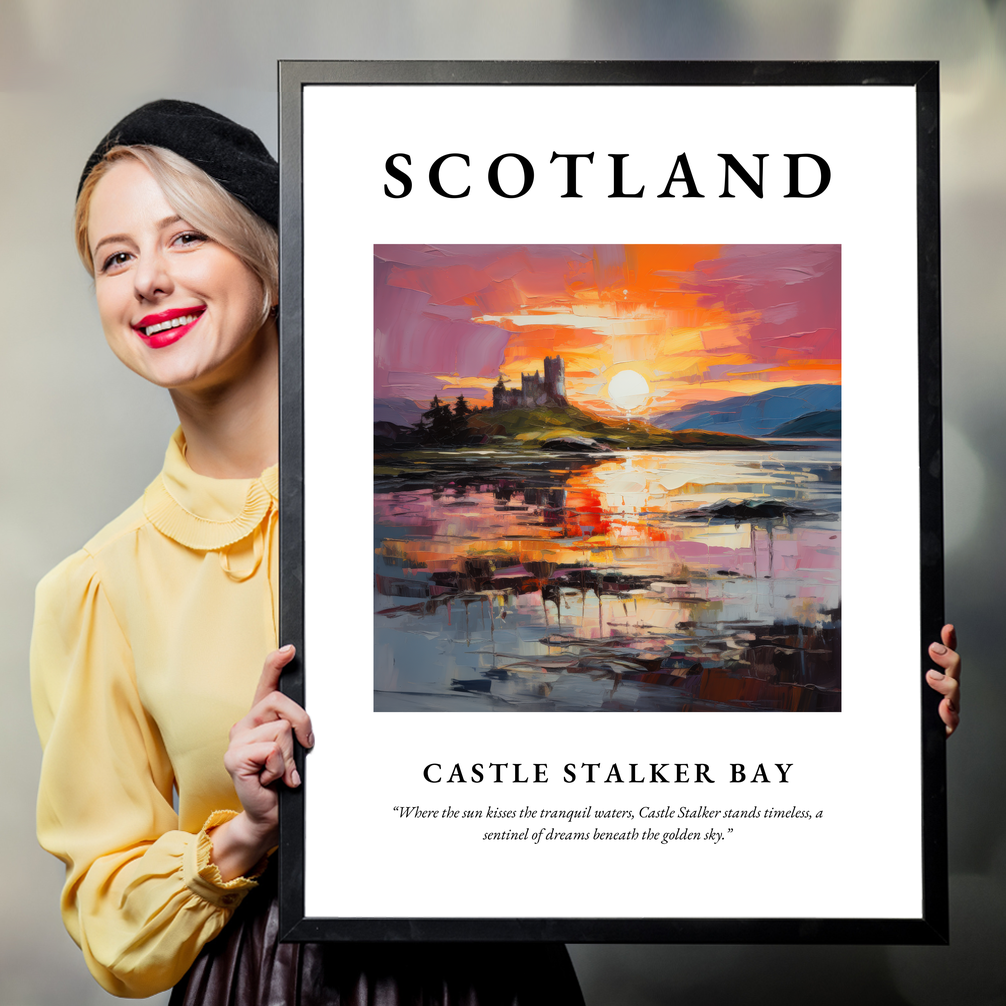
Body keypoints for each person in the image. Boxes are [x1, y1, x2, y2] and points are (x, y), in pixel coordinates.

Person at [30, 100, 586, 1004]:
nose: (148, 281)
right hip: (263, 982)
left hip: (494, 973)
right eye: (116, 257)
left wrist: (885, 706)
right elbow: (110, 924)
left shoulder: (443, 506)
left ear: (272, 263)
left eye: (185, 238)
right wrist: (244, 832)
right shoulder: (97, 587)